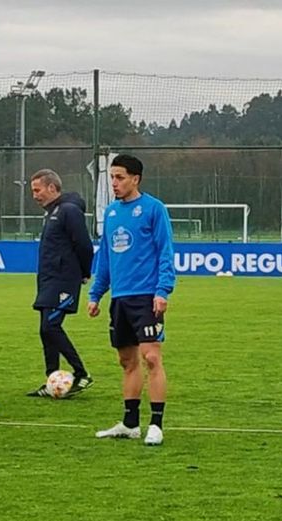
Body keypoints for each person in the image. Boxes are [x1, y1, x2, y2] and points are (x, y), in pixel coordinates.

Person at [88, 154, 175, 446]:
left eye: (120, 177)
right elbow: (105, 259)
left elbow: (165, 251)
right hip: (120, 299)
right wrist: (96, 293)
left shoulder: (153, 209)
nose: (114, 182)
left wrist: (163, 291)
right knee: (127, 361)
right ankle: (129, 424)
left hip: (146, 297)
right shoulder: (111, 213)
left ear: (135, 179)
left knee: (151, 357)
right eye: (112, 177)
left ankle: (157, 424)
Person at [26, 168, 95, 398]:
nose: (34, 195)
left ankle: (81, 373)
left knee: (51, 327)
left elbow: (84, 245)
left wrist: (85, 272)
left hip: (63, 280)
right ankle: (51, 381)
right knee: (45, 331)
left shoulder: (69, 211)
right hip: (48, 281)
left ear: (52, 188)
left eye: (37, 190)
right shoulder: (52, 212)